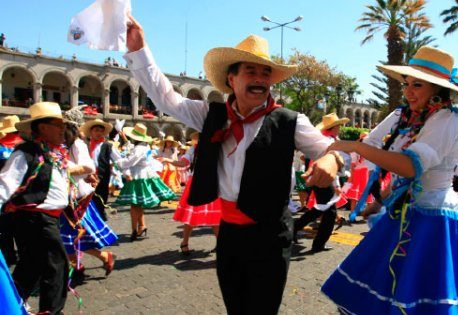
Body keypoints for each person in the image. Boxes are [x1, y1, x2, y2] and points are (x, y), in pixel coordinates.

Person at [123, 15, 343, 314]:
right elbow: (165, 98)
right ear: (231, 79)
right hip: (229, 233)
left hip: (271, 234)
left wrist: (331, 159)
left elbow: (333, 150)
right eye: (250, 71)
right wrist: (139, 49)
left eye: (266, 73)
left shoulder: (291, 121)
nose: (260, 78)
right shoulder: (209, 114)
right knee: (236, 307)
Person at [321, 46, 458, 314]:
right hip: (402, 212)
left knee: (423, 297)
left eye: (417, 84)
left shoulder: (448, 120)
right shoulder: (402, 116)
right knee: (385, 291)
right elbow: (372, 143)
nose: (408, 91)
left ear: (437, 89)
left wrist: (355, 148)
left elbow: (410, 166)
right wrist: (338, 159)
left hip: (433, 218)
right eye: (407, 83)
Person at [0, 102, 70, 315]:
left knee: (31, 267)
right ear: (42, 127)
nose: (62, 129)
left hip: (45, 219)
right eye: (57, 124)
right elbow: (5, 183)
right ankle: (51, 312)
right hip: (36, 219)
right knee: (56, 266)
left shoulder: (48, 152)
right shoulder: (26, 152)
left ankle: (9, 306)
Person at [60, 111, 117, 278]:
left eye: (63, 126)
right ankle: (76, 265)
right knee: (66, 235)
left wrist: (61, 169)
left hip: (76, 198)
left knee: (76, 234)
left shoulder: (77, 143)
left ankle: (103, 256)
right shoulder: (61, 144)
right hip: (64, 196)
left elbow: (87, 166)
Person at [294, 113, 349, 253]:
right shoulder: (328, 141)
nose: (340, 128)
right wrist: (336, 185)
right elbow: (330, 165)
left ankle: (294, 228)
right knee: (329, 211)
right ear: (334, 127)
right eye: (339, 126)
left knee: (321, 208)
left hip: (319, 178)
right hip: (323, 179)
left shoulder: (329, 140)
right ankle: (318, 244)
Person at [114, 123, 175, 241]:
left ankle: (134, 230)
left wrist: (117, 161)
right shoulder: (145, 147)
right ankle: (141, 225)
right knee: (138, 203)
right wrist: (125, 140)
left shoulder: (139, 149)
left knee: (134, 204)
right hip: (145, 174)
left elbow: (128, 162)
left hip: (138, 176)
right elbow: (132, 150)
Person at [164, 131, 222, 255]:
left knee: (216, 217)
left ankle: (220, 244)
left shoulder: (218, 147)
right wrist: (168, 160)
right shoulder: (194, 149)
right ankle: (184, 242)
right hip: (196, 183)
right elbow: (183, 163)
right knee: (191, 216)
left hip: (212, 183)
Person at [80, 118, 121, 221]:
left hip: (101, 179)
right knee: (85, 203)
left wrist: (127, 172)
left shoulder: (108, 146)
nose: (99, 133)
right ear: (91, 132)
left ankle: (100, 223)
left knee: (100, 202)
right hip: (86, 179)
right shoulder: (85, 145)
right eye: (96, 130)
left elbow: (119, 161)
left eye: (101, 130)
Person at [0, 115, 23, 266]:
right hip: (24, 193)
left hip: (4, 192)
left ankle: (9, 256)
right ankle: (25, 255)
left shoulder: (1, 146)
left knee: (5, 229)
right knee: (22, 228)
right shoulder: (26, 146)